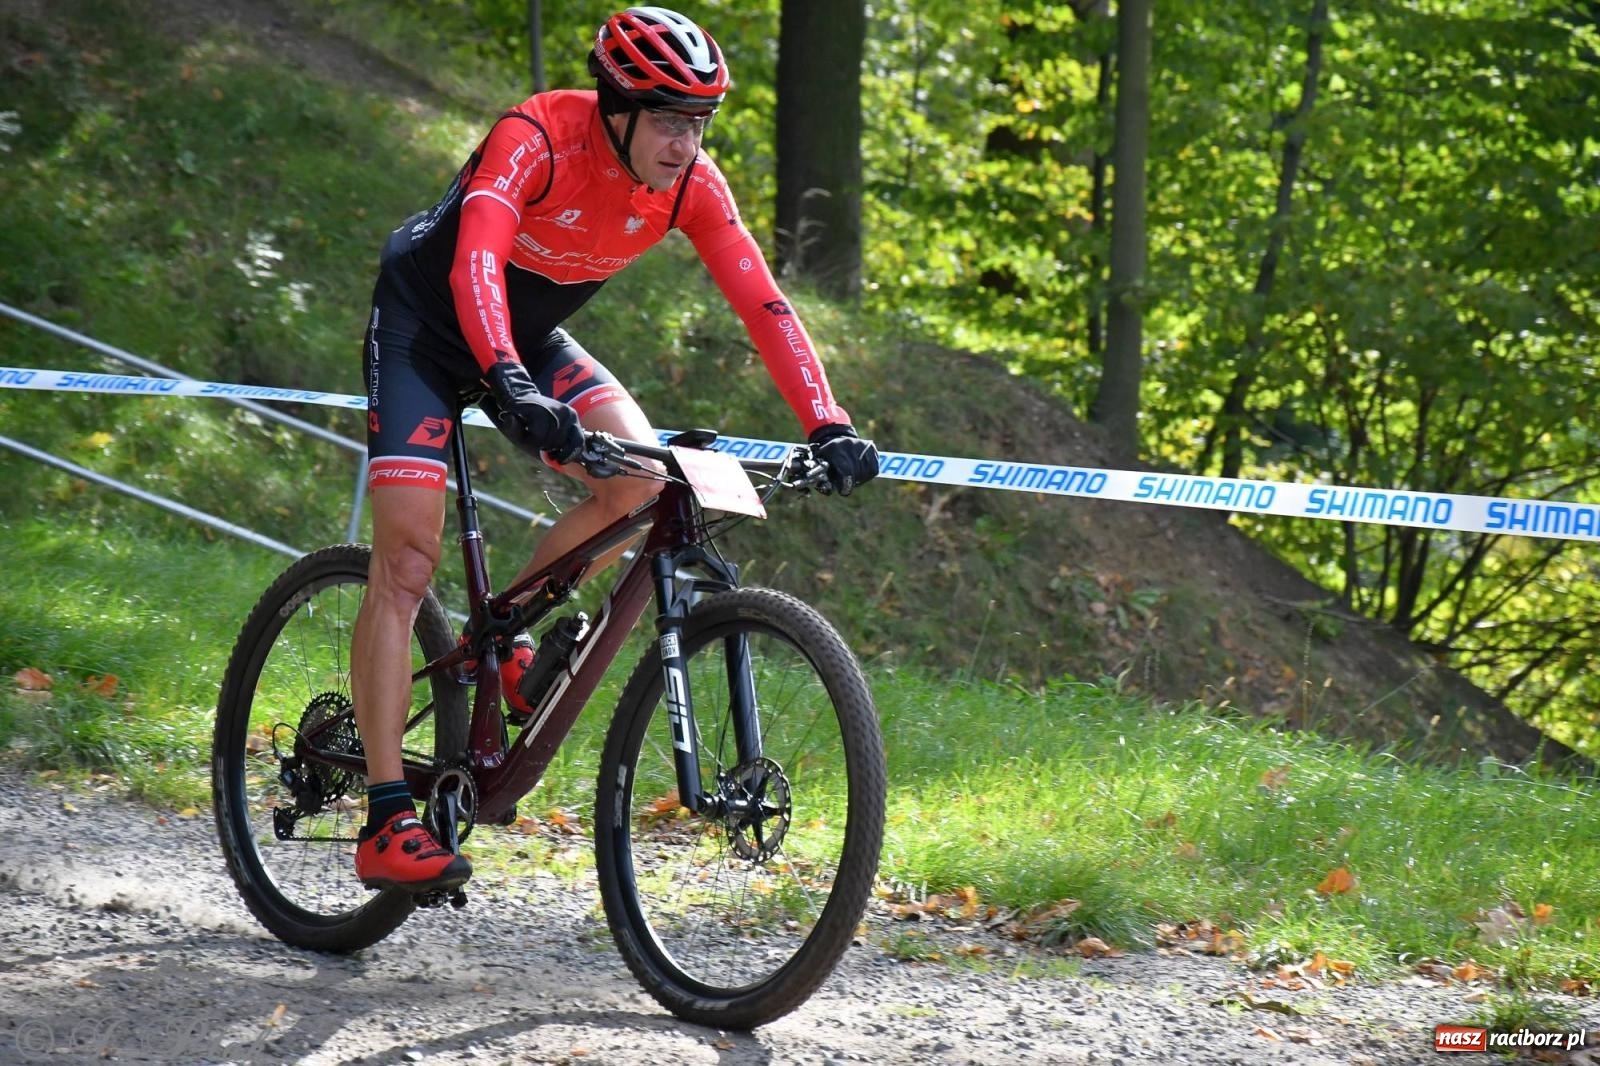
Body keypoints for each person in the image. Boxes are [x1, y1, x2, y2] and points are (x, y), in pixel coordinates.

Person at [350, 5, 879, 893]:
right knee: (405, 562)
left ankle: (502, 643)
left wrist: (827, 420)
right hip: (426, 330)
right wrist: (506, 380)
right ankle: (384, 815)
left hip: (528, 339)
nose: (687, 144)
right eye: (672, 121)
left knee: (637, 484)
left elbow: (764, 302)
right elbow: (476, 260)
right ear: (619, 107)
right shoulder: (538, 135)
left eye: (701, 123)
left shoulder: (688, 185)